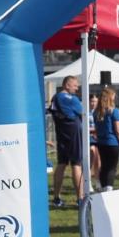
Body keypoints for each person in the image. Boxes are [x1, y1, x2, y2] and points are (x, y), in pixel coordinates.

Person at [50, 76, 84, 207]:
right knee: (76, 164)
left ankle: (56, 198)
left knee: (61, 163)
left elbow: (52, 112)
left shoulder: (55, 97)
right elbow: (83, 113)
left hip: (61, 133)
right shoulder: (72, 99)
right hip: (74, 132)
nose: (77, 88)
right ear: (67, 85)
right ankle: (80, 199)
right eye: (75, 85)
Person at [93, 87, 119, 192]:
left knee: (104, 166)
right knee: (112, 167)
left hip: (101, 143)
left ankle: (103, 187)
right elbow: (118, 130)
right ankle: (109, 188)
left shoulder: (96, 112)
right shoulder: (114, 111)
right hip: (112, 142)